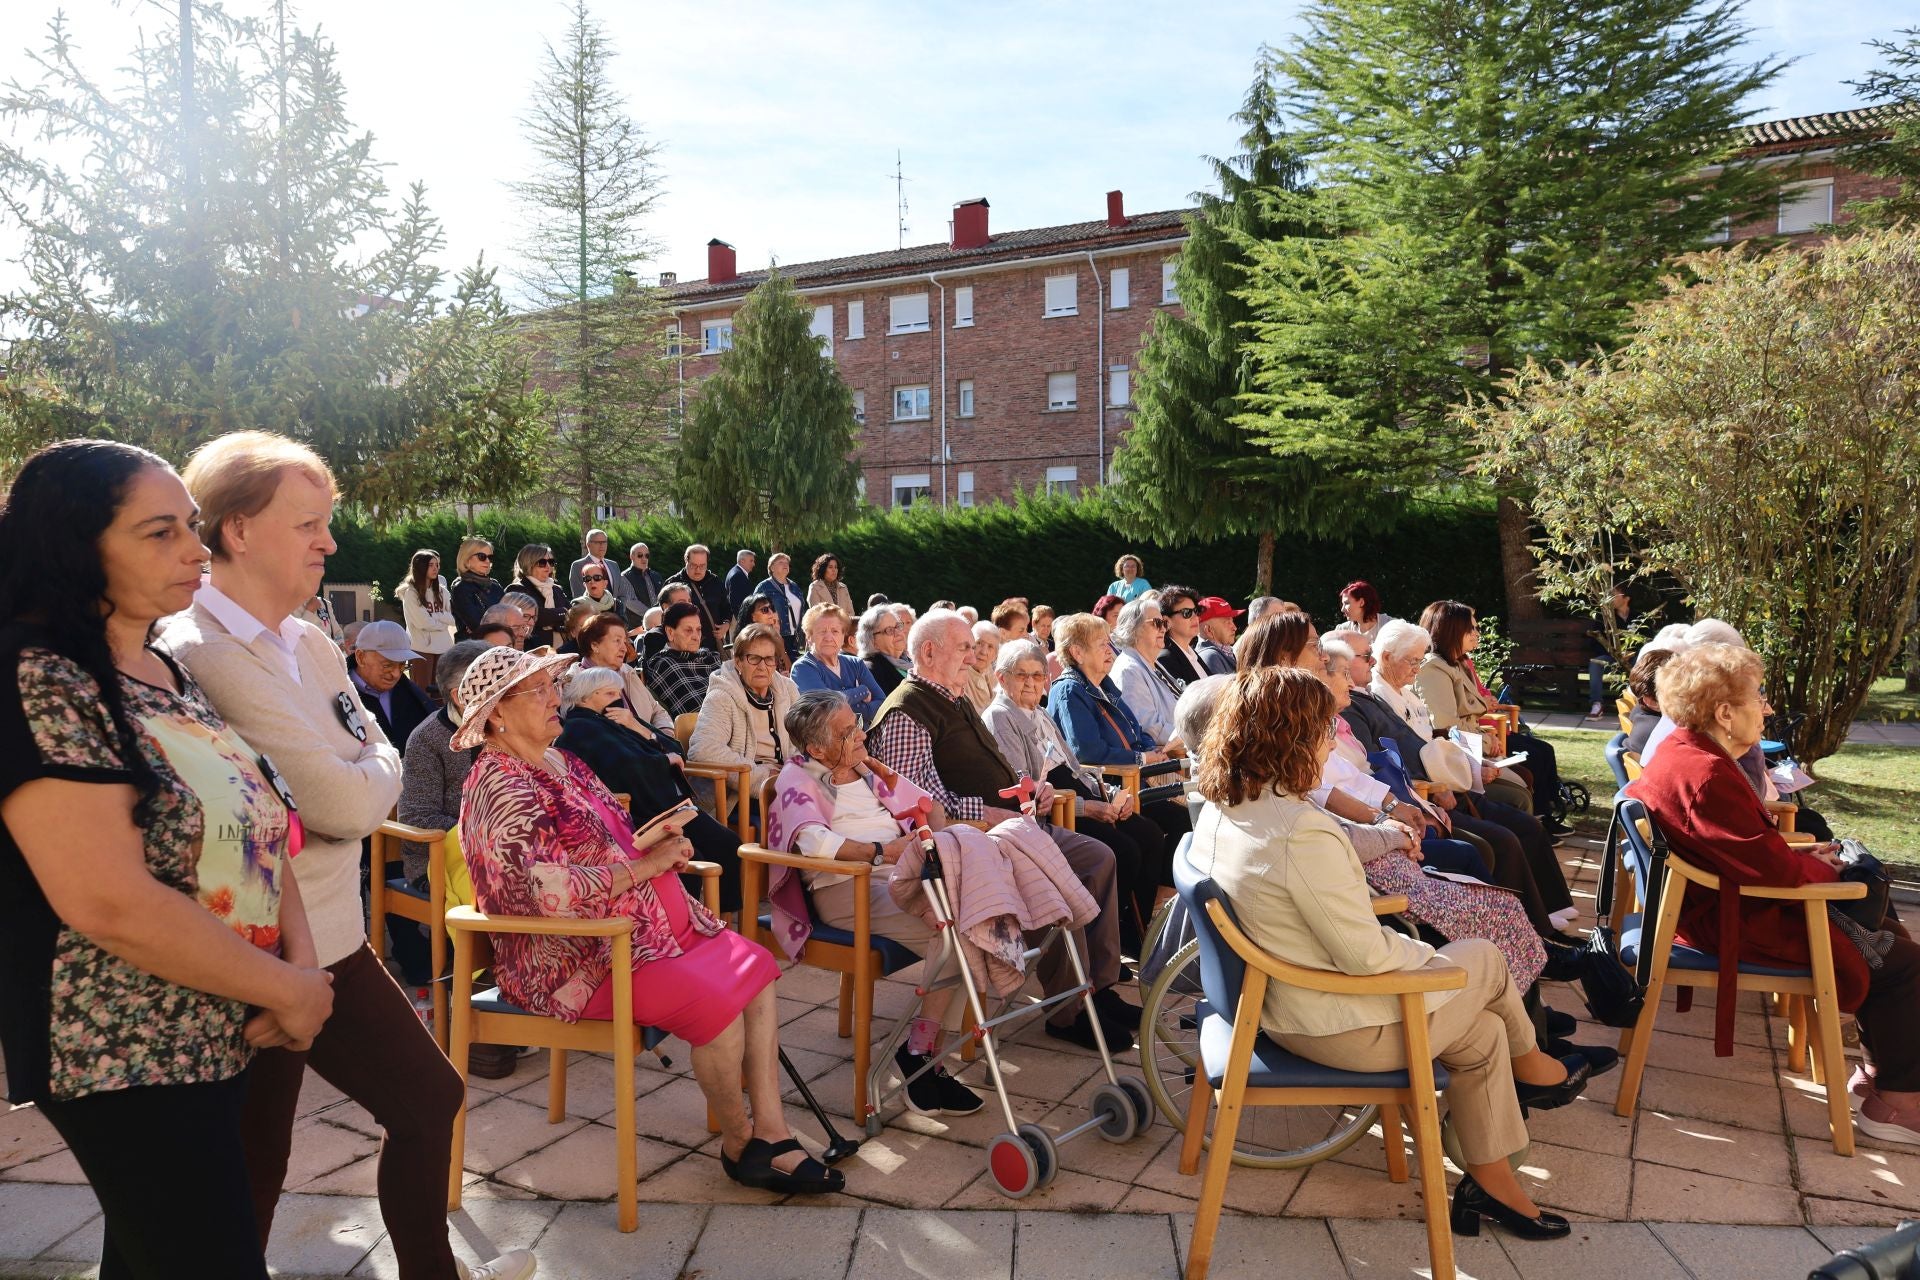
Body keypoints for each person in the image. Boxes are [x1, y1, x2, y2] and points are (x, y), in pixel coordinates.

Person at [160, 431, 531, 1280]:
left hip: (332, 936)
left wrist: (362, 772)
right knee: (254, 1166)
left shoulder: (312, 641)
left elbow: (372, 773)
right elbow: (340, 798)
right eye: (310, 524)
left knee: (427, 1098)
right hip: (252, 955)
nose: (330, 542)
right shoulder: (202, 653)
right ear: (239, 530)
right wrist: (362, 773)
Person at [0, 440, 334, 1280]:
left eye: (190, 525)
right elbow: (106, 901)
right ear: (73, 547)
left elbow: (262, 818)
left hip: (219, 1027)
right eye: (159, 533)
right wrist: (290, 989)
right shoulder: (43, 676)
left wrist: (302, 965)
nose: (195, 549)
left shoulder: (165, 669)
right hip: (123, 1047)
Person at [1192, 665, 1588, 1242]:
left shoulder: (1225, 807)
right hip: (1333, 1024)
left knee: (1481, 1034)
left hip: (1284, 1002)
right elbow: (1366, 960)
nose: (1333, 740)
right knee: (1483, 956)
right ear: (1291, 737)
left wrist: (1427, 960)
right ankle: (1538, 1071)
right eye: (1323, 729)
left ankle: (1493, 1184)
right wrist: (1433, 961)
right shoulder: (1300, 829)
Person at [455, 646, 840, 1194]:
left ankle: (772, 1130)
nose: (553, 696)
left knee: (754, 964)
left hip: (644, 929)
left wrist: (654, 842)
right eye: (537, 689)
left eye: (550, 684)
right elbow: (544, 894)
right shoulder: (501, 785)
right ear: (495, 713)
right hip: (580, 958)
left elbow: (605, 841)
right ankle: (740, 1145)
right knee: (716, 1004)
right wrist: (648, 865)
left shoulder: (559, 760)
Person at [1626, 643, 1920, 1143]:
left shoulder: (1689, 752)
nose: (1766, 709)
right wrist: (1828, 871)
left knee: (1889, 936)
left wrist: (1811, 858)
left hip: (1730, 907)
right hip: (1737, 921)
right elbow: (1770, 871)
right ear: (1724, 712)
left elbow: (1752, 853)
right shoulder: (1706, 773)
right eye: (1757, 698)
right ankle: (1896, 1106)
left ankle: (1883, 1075)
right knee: (1906, 965)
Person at [868, 610, 1136, 1051]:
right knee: (1059, 878)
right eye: (964, 647)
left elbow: (986, 766)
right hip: (972, 839)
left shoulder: (953, 698)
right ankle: (1069, 1011)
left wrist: (1029, 786)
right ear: (930, 652)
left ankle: (1099, 989)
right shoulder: (906, 711)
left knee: (1099, 858)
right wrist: (990, 811)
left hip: (1011, 822)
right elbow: (915, 804)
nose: (973, 657)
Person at [767, 691, 982, 1116]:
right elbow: (814, 842)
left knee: (972, 922)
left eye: (857, 722)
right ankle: (921, 1056)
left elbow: (930, 812)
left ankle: (924, 1057)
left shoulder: (864, 770)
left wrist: (905, 799)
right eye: (847, 732)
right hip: (848, 887)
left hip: (897, 874)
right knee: (959, 930)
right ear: (816, 749)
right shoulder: (801, 778)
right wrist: (884, 851)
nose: (861, 734)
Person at [1347, 624, 1577, 938]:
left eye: (1419, 660)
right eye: (1365, 657)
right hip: (1428, 795)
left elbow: (1427, 740)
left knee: (1523, 806)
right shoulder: (1364, 704)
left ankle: (1542, 921)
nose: (1372, 662)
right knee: (1499, 837)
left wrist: (1470, 755)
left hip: (1444, 782)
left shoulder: (1379, 698)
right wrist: (1431, 792)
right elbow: (1382, 770)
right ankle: (1530, 935)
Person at [986, 639, 1168, 953]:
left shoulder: (1040, 712)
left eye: (1037, 675)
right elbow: (1025, 784)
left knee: (1150, 834)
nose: (1031, 682)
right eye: (1021, 675)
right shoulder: (1002, 717)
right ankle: (1107, 939)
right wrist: (1090, 808)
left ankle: (1134, 934)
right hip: (1057, 809)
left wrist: (1110, 794)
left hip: (1079, 795)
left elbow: (1074, 766)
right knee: (1123, 850)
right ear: (1002, 679)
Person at [555, 666, 744, 914]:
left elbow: (675, 749)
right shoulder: (581, 728)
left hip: (669, 805)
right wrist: (664, 761)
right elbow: (623, 768)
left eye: (618, 693)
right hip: (637, 814)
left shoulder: (619, 718)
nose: (617, 699)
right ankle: (689, 923)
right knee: (691, 855)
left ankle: (724, 917)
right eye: (609, 693)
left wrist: (639, 727)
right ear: (586, 696)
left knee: (728, 843)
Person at [1414, 600, 1572, 836]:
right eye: (1472, 629)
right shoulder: (1434, 670)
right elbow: (1446, 728)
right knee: (1520, 790)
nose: (1477, 633)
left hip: (1475, 752)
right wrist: (1488, 742)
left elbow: (1467, 719)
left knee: (1527, 774)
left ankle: (1533, 835)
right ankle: (1529, 839)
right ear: (1452, 631)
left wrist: (1487, 737)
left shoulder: (1458, 664)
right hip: (1461, 760)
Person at [688, 623, 799, 827]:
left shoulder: (788, 690)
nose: (762, 666)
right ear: (738, 662)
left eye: (769, 659)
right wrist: (762, 776)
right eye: (753, 658)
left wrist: (796, 771)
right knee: (799, 820)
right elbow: (702, 750)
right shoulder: (721, 698)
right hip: (740, 797)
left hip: (788, 785)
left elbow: (805, 740)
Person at [1047, 612, 1173, 771]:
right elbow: (1088, 753)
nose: (1109, 650)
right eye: (1101, 644)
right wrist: (1142, 758)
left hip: (1135, 776)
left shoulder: (1104, 685)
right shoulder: (1069, 691)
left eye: (1108, 643)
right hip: (1112, 785)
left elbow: (1137, 731)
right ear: (1077, 653)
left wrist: (1151, 749)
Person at [575, 612, 674, 737]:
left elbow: (657, 711)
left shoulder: (627, 671)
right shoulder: (576, 683)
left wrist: (665, 736)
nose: (624, 648)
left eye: (624, 641)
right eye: (617, 641)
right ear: (594, 645)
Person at [1109, 596, 1185, 751]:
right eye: (1156, 623)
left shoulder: (1153, 664)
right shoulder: (1128, 671)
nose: (1163, 629)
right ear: (1133, 628)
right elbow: (1149, 727)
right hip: (1165, 765)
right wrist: (1196, 736)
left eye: (1164, 623)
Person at [792, 603, 887, 726]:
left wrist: (843, 702)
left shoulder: (856, 663)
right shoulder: (803, 668)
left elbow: (882, 704)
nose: (829, 637)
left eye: (835, 631)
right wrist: (862, 691)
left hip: (863, 740)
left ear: (843, 637)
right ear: (809, 637)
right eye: (822, 631)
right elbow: (826, 707)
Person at [349, 620, 435, 754]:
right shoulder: (336, 694)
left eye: (402, 665)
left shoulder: (410, 693)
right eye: (387, 665)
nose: (395, 674)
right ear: (360, 657)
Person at [646, 602, 726, 720]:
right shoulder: (665, 664)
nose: (696, 636)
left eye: (698, 630)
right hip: (706, 730)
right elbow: (699, 712)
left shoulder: (710, 657)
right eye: (688, 630)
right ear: (670, 632)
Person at [394, 549, 456, 689]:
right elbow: (423, 622)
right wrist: (442, 623)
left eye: (437, 565)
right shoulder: (411, 593)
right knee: (422, 690)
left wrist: (436, 617)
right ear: (421, 567)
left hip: (443, 647)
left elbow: (452, 619)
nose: (436, 568)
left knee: (441, 691)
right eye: (431, 565)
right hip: (421, 648)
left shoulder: (442, 591)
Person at [664, 543, 733, 651]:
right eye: (693, 565)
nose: (698, 570)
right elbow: (663, 614)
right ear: (686, 561)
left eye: (702, 566)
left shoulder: (715, 581)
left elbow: (726, 607)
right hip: (684, 646)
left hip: (713, 645)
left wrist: (726, 624)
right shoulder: (673, 583)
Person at [568, 528, 641, 621]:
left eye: (604, 542)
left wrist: (618, 610)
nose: (602, 545)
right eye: (597, 542)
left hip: (615, 618)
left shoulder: (613, 565)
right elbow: (579, 595)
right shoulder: (578, 566)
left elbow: (622, 593)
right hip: (592, 619)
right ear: (588, 544)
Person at [1587, 585, 1636, 718]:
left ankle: (1638, 703)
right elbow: (1595, 642)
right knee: (1596, 663)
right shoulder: (1604, 617)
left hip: (1633, 658)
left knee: (1642, 662)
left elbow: (1646, 640)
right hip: (1611, 658)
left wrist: (1631, 652)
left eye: (1614, 594)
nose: (1610, 598)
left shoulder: (1639, 617)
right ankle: (1596, 704)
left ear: (1626, 598)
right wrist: (1613, 653)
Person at [508, 544, 568, 649]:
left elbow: (572, 614)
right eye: (542, 562)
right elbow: (537, 616)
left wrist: (557, 614)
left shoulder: (557, 589)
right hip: (532, 649)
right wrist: (562, 611)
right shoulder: (517, 589)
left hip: (561, 648)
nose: (548, 566)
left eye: (551, 562)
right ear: (528, 564)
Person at [753, 552, 808, 657]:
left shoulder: (794, 586)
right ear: (772, 568)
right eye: (781, 562)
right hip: (776, 635)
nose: (785, 565)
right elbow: (756, 611)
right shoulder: (764, 587)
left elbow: (802, 609)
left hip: (796, 637)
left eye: (787, 562)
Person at [449, 538, 503, 642]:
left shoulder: (495, 585)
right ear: (467, 559)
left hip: (497, 645)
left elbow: (511, 617)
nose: (487, 561)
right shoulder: (461, 588)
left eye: (490, 557)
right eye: (482, 557)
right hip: (472, 648)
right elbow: (477, 625)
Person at [1155, 584, 1209, 685]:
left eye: (1195, 611)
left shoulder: (1191, 653)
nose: (1195, 617)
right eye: (1186, 612)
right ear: (1167, 621)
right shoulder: (1166, 659)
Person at [856, 603, 909, 699]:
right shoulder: (870, 671)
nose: (898, 633)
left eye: (898, 626)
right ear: (872, 640)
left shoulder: (909, 661)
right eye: (889, 630)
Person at [1191, 597, 1242, 676]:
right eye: (1227, 622)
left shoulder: (1226, 653)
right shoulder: (1210, 658)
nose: (1234, 628)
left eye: (1232, 621)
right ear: (1209, 630)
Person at [1334, 579, 1395, 644]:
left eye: (1346, 603)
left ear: (1361, 602)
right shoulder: (1342, 631)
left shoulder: (1391, 626)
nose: (1342, 609)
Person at [964, 620, 1002, 715]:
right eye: (979, 643)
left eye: (990, 647)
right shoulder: (959, 673)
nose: (983, 652)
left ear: (995, 654)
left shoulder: (990, 670)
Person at [807, 553, 855, 626]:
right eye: (830, 567)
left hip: (843, 630)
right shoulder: (815, 587)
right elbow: (816, 613)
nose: (834, 570)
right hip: (824, 629)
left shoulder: (843, 587)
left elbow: (851, 612)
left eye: (836, 567)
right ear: (823, 569)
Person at [623, 542, 664, 614]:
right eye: (640, 555)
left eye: (647, 555)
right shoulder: (624, 577)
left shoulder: (656, 575)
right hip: (637, 623)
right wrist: (652, 615)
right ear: (631, 557)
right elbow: (631, 602)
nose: (644, 558)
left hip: (658, 620)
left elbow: (664, 597)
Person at [725, 549, 757, 617]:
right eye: (751, 561)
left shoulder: (737, 572)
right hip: (738, 619)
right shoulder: (737, 575)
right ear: (742, 561)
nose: (754, 564)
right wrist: (742, 621)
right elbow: (735, 602)